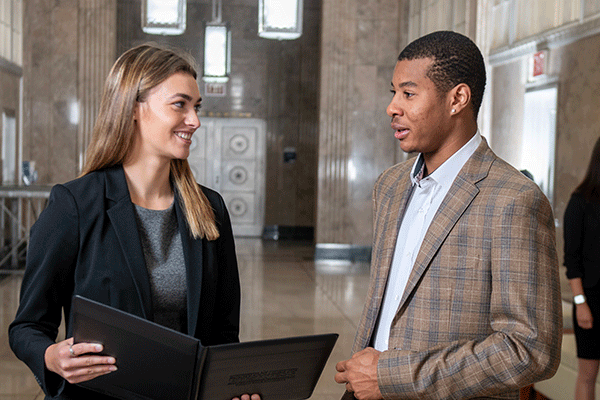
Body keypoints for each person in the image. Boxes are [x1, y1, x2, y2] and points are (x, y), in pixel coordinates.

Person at [9, 43, 258, 400]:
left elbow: (222, 334)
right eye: (180, 104)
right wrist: (51, 356)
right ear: (134, 108)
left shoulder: (210, 208)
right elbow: (28, 326)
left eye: (196, 106)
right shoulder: (75, 205)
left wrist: (231, 388)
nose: (195, 120)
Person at [334, 31, 562, 399]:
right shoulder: (390, 186)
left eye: (408, 94)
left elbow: (529, 350)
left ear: (457, 98)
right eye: (392, 93)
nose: (392, 107)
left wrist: (392, 376)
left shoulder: (514, 200)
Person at [563, 137, 600, 400]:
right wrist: (580, 303)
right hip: (591, 301)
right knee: (588, 374)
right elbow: (571, 260)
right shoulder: (580, 202)